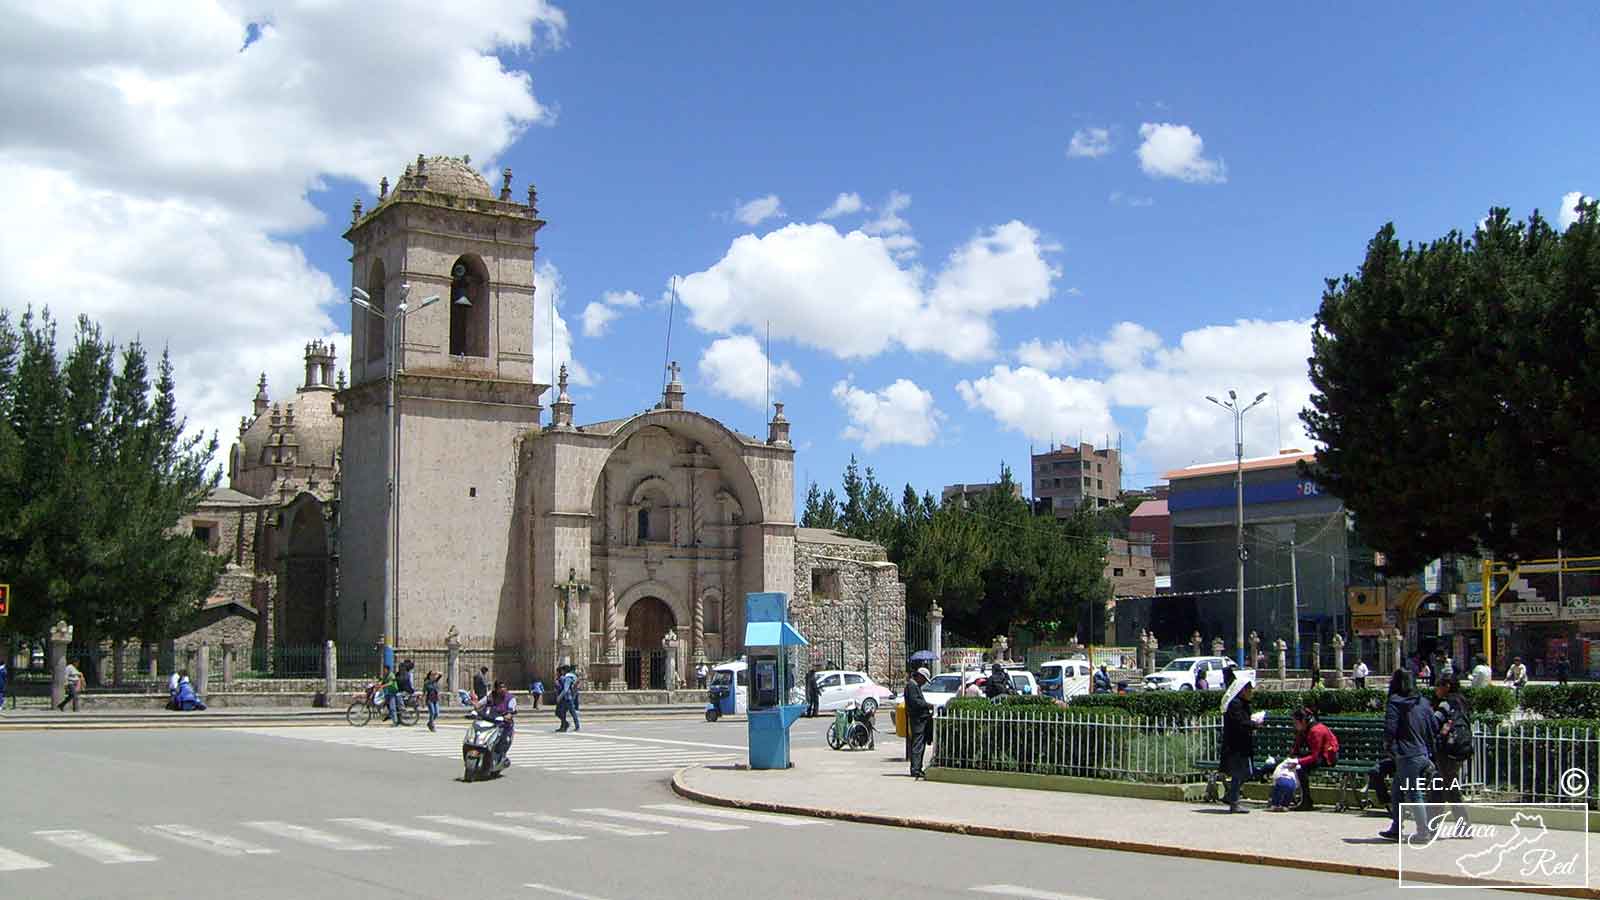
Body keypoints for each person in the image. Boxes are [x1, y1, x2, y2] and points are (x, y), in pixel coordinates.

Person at [1381, 668, 1436, 842]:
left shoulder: (1395, 702)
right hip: (1422, 752)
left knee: (1414, 793)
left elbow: (1390, 727)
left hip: (1406, 754)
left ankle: (1423, 831)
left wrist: (1387, 744)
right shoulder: (1423, 702)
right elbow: (1432, 727)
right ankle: (1396, 827)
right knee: (1397, 790)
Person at [1432, 674, 1473, 826]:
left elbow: (1434, 722)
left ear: (1447, 686)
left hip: (1447, 749)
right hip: (1460, 748)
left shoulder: (1446, 703)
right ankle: (1436, 824)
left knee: (1446, 787)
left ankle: (1459, 825)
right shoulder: (1462, 702)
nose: (1436, 689)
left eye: (1438, 685)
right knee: (1446, 785)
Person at [1221, 674, 1265, 813]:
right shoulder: (1235, 705)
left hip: (1243, 745)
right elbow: (1240, 723)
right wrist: (1255, 724)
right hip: (1236, 745)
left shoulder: (1243, 704)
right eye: (1249, 690)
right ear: (1242, 690)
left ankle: (1230, 796)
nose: (1251, 693)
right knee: (1239, 773)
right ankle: (1234, 802)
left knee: (1247, 772)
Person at [1290, 707, 1340, 811]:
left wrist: (1297, 761)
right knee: (1296, 765)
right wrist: (1291, 757)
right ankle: (1296, 797)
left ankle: (1306, 801)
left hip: (1328, 757)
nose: (1294, 725)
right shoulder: (1304, 729)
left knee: (1300, 768)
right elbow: (1296, 747)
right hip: (1317, 755)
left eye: (1295, 722)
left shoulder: (1316, 731)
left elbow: (1315, 756)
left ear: (1303, 721)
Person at [474, 680, 517, 760]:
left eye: (504, 687)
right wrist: (476, 706)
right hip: (490, 723)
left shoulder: (510, 699)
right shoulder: (491, 695)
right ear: (496, 689)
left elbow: (511, 711)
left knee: (503, 742)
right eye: (500, 687)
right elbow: (480, 703)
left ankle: (500, 756)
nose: (503, 689)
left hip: (504, 726)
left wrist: (508, 715)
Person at [904, 667, 934, 779]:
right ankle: (915, 769)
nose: (925, 682)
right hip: (917, 720)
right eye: (924, 679)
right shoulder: (911, 686)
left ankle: (918, 767)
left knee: (920, 744)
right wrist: (928, 705)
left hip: (920, 719)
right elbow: (916, 702)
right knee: (918, 744)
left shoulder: (914, 686)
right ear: (920, 676)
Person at [555, 665, 581, 732]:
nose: (562, 672)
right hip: (568, 698)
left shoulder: (567, 678)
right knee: (565, 712)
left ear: (565, 671)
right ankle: (565, 726)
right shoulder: (570, 677)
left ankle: (574, 726)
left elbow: (565, 689)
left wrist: (559, 697)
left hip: (567, 698)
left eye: (562, 670)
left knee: (570, 712)